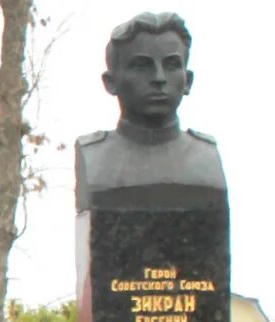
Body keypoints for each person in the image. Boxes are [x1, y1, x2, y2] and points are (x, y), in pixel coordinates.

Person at [75, 11, 224, 211]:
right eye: (141, 66)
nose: (159, 78)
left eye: (171, 65)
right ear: (111, 83)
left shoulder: (206, 159)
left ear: (188, 81)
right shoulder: (94, 156)